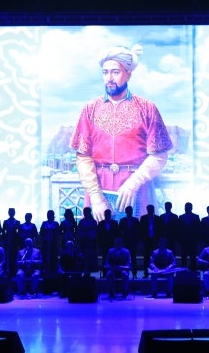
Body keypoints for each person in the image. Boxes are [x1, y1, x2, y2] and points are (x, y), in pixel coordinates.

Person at [69, 44, 173, 221]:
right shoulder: (90, 109)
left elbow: (159, 155)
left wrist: (133, 183)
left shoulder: (147, 108)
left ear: (128, 74)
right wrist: (95, 196)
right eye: (105, 72)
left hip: (137, 190)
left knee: (139, 235)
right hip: (98, 191)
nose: (109, 78)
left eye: (115, 72)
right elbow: (83, 157)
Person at [118, 205, 141, 278]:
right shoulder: (122, 220)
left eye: (131, 211)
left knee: (133, 258)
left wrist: (137, 240)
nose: (130, 212)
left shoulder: (136, 220)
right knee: (124, 258)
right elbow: (119, 231)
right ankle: (124, 273)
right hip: (125, 241)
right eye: (129, 211)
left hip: (133, 241)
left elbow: (138, 231)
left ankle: (134, 273)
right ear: (126, 212)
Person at [138, 203, 159, 278]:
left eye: (151, 209)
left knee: (155, 257)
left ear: (153, 210)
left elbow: (160, 229)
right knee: (146, 257)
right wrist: (142, 239)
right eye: (149, 209)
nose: (150, 211)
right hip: (146, 240)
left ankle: (156, 273)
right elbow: (140, 229)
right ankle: (146, 272)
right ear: (147, 210)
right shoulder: (143, 218)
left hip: (155, 240)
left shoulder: (157, 218)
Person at [77, 206, 99, 275]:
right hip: (83, 242)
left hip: (91, 242)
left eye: (86, 212)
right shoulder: (81, 222)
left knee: (91, 257)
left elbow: (95, 231)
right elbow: (79, 231)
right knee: (85, 257)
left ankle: (90, 273)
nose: (85, 213)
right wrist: (83, 235)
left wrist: (88, 234)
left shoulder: (93, 221)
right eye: (84, 212)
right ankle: (85, 272)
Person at [177, 202, 201, 268]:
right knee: (183, 256)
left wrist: (197, 240)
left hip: (193, 240)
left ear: (191, 208)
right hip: (183, 240)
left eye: (188, 207)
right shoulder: (181, 217)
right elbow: (178, 229)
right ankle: (183, 269)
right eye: (186, 207)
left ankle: (193, 269)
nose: (187, 208)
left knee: (193, 256)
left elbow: (198, 229)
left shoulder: (196, 217)